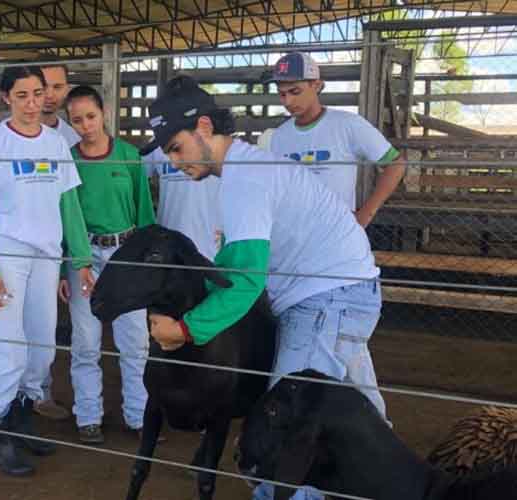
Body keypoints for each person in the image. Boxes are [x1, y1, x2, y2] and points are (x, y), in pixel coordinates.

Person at [139, 76, 387, 500]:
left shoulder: (244, 181)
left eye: (176, 148)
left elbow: (247, 282)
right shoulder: (246, 167)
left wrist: (185, 329)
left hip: (325, 298)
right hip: (344, 288)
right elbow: (237, 263)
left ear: (202, 127)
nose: (174, 162)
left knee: (288, 419)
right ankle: (386, 479)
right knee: (361, 408)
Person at [0, 66, 94, 476]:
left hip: (47, 253)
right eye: (22, 95)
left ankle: (22, 423)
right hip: (7, 252)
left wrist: (82, 258)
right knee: (6, 339)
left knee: (42, 342)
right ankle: (0, 432)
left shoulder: (56, 143)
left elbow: (69, 206)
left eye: (38, 94)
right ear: (6, 98)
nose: (33, 103)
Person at [59, 85, 156, 444]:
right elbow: (65, 218)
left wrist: (146, 264)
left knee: (135, 341)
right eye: (77, 120)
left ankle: (139, 416)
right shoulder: (68, 160)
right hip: (84, 258)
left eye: (91, 116)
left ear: (104, 114)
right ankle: (88, 416)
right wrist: (63, 269)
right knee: (86, 340)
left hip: (126, 254)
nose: (85, 125)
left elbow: (144, 212)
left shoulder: (130, 156)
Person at [265, 52, 406, 226]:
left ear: (316, 85)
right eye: (281, 94)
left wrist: (365, 215)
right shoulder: (279, 136)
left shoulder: (348, 125)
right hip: (293, 234)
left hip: (336, 234)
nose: (287, 101)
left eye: (295, 91)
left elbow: (396, 164)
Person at [35, 63, 79, 421]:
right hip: (20, 247)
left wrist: (72, 256)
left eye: (57, 87)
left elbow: (76, 202)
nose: (50, 95)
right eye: (43, 86)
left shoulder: (72, 139)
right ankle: (25, 396)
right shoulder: (4, 138)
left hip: (59, 247)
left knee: (48, 324)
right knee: (18, 324)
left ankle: (42, 391)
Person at [142, 144, 221, 262]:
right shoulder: (158, 142)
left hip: (209, 248)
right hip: (167, 245)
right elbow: (134, 180)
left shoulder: (218, 140)